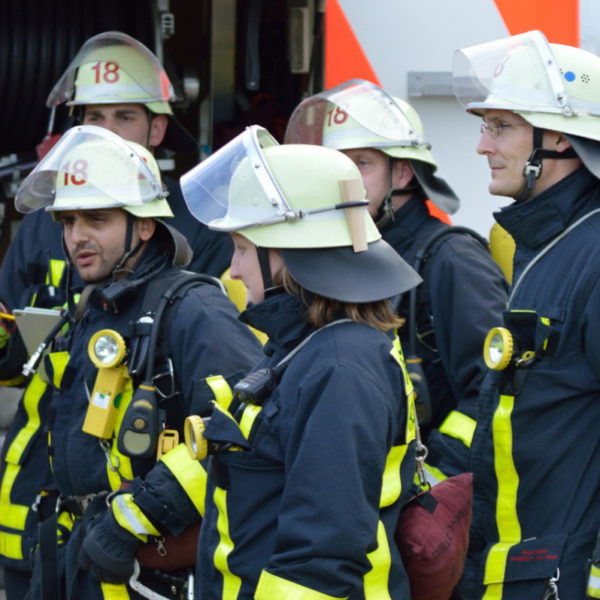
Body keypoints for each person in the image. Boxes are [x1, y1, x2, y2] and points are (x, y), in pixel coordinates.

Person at [0, 31, 234, 598]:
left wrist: (134, 519)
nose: (77, 236)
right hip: (45, 507)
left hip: (138, 533)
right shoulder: (45, 233)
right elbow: (19, 358)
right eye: (92, 117)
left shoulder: (198, 251)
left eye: (122, 116)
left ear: (156, 129)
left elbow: (230, 422)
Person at [180, 125, 422, 598]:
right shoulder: (304, 349)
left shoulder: (339, 366)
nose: (233, 269)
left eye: (244, 248)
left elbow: (320, 559)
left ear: (293, 256)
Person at [285, 80, 508, 478]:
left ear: (403, 173)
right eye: (335, 163)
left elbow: (495, 393)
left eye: (361, 164)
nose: (343, 178)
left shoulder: (451, 260)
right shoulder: (350, 261)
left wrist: (430, 479)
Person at [451, 30, 600, 599]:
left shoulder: (590, 253)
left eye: (501, 127)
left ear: (559, 136)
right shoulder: (548, 246)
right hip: (524, 573)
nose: (483, 147)